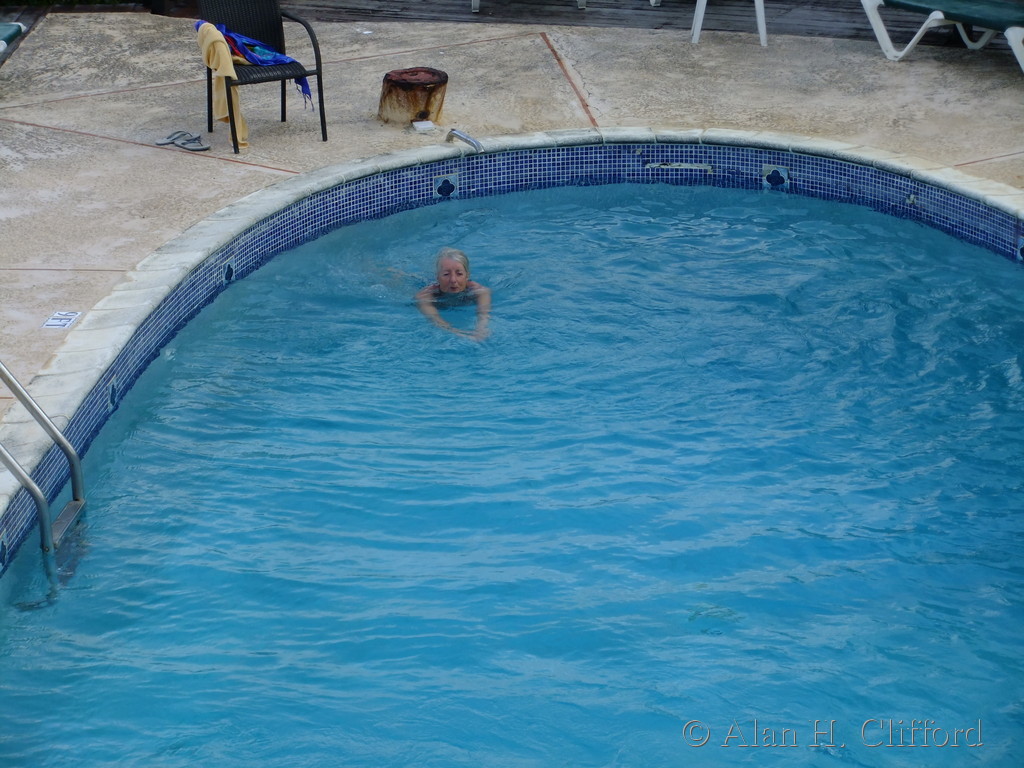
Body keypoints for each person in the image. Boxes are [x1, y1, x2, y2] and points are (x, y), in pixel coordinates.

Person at [415, 248, 491, 340]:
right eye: (446, 274)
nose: (453, 280)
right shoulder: (425, 296)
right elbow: (436, 320)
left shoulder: (479, 292)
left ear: (467, 275)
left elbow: (483, 316)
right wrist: (463, 335)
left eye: (459, 274)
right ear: (437, 277)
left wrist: (481, 330)